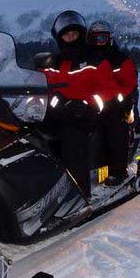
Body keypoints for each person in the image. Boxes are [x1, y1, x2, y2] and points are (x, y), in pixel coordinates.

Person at [40, 10, 107, 197]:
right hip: (56, 115)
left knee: (71, 140)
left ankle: (79, 195)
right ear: (60, 37)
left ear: (81, 34)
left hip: (86, 116)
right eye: (66, 34)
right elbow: (39, 84)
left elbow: (105, 91)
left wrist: (86, 105)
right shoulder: (54, 62)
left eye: (74, 33)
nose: (71, 36)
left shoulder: (94, 60)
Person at [86, 20, 139, 186]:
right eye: (95, 39)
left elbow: (130, 85)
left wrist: (124, 102)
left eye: (102, 38)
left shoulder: (120, 60)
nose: (98, 42)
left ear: (109, 39)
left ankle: (118, 170)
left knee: (115, 128)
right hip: (92, 105)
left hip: (117, 105)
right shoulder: (85, 60)